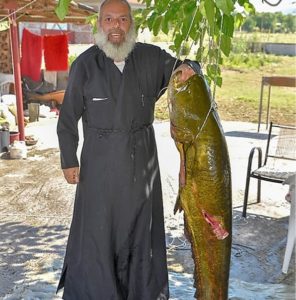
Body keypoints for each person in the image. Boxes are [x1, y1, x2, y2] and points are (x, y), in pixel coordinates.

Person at [56, 0, 199, 299]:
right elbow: (68, 117)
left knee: (140, 230)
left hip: (141, 163)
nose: (116, 26)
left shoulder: (151, 57)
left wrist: (191, 68)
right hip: (98, 164)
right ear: (99, 24)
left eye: (122, 19)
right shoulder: (84, 64)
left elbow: (184, 68)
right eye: (109, 19)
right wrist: (69, 160)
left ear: (131, 23)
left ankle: (141, 292)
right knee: (97, 231)